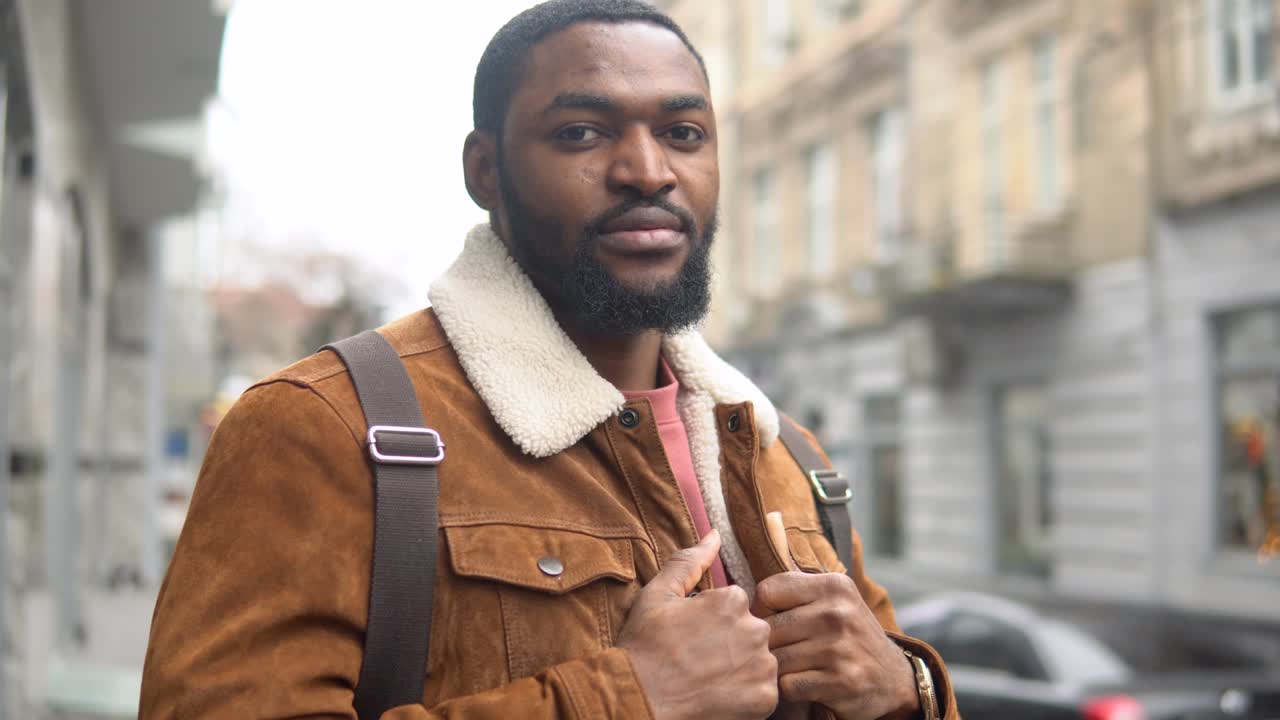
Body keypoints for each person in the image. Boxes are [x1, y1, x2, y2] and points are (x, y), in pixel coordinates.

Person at [139, 1, 957, 718]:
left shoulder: (788, 456)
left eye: (683, 134)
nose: (648, 171)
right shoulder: (324, 428)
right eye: (581, 134)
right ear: (485, 170)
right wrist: (631, 697)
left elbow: (892, 686)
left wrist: (905, 687)